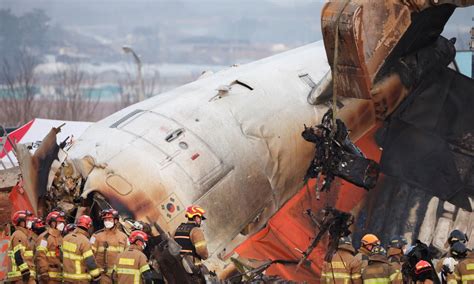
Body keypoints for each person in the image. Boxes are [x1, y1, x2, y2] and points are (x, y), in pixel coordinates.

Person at [91, 208, 128, 284]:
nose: (107, 222)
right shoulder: (96, 236)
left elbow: (128, 256)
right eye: (105, 220)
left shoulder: (124, 237)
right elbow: (90, 256)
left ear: (116, 221)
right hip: (102, 277)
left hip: (118, 277)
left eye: (110, 219)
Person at [173, 205, 209, 283]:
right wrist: (205, 256)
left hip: (177, 267)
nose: (200, 221)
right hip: (192, 269)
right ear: (196, 217)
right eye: (200, 218)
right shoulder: (196, 231)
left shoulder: (177, 229)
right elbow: (201, 250)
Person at [62, 215, 101, 283]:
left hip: (66, 279)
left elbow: (61, 256)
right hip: (79, 280)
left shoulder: (65, 238)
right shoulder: (84, 241)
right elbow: (90, 261)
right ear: (88, 226)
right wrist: (97, 276)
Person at [35, 210, 66, 283]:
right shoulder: (45, 238)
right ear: (52, 223)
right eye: (59, 222)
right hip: (48, 278)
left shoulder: (61, 238)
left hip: (59, 277)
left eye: (62, 222)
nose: (62, 224)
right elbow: (40, 255)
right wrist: (43, 272)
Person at [7, 210, 36, 283]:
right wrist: (25, 271)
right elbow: (18, 254)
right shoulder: (19, 235)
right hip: (22, 276)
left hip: (23, 276)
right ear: (21, 222)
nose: (30, 222)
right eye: (27, 220)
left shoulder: (22, 235)